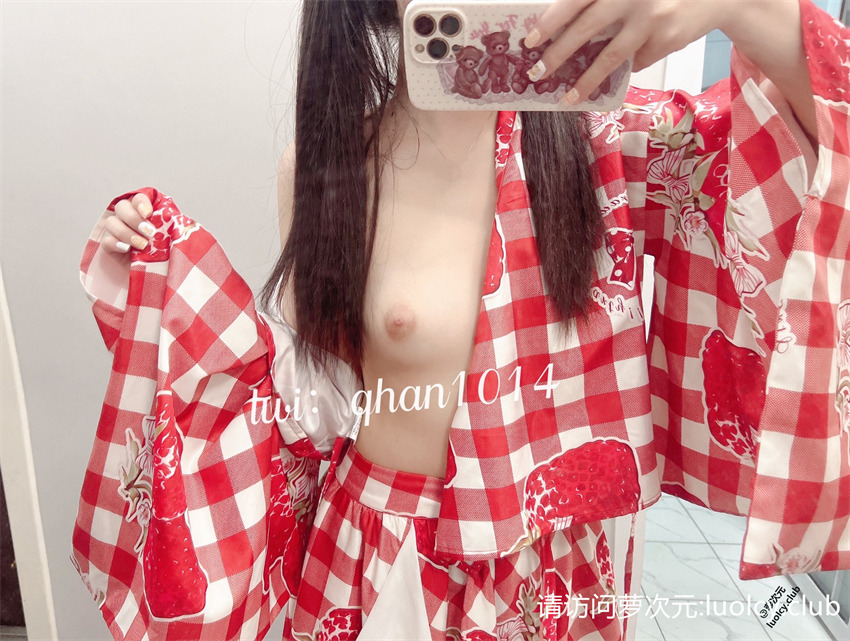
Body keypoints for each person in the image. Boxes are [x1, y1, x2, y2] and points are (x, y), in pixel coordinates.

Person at [86, 0, 849, 639]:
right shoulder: (326, 168)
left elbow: (820, 141)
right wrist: (165, 281)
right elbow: (312, 402)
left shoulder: (605, 148)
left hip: (555, 562)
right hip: (382, 555)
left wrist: (739, 8)